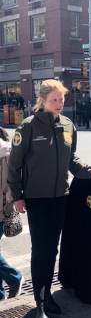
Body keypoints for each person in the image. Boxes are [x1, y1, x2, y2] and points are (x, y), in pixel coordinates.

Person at [7, 79, 91, 318]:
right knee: (41, 249)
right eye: (54, 99)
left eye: (62, 99)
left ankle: (47, 294)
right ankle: (40, 303)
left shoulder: (68, 125)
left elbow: (71, 158)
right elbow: (14, 165)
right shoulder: (28, 127)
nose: (59, 104)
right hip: (37, 198)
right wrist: (18, 196)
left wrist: (90, 171)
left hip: (61, 197)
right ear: (42, 100)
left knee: (52, 248)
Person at [0, 127, 24, 301]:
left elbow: (9, 184)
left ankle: (14, 277)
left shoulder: (5, 153)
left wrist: (9, 203)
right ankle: (0, 294)